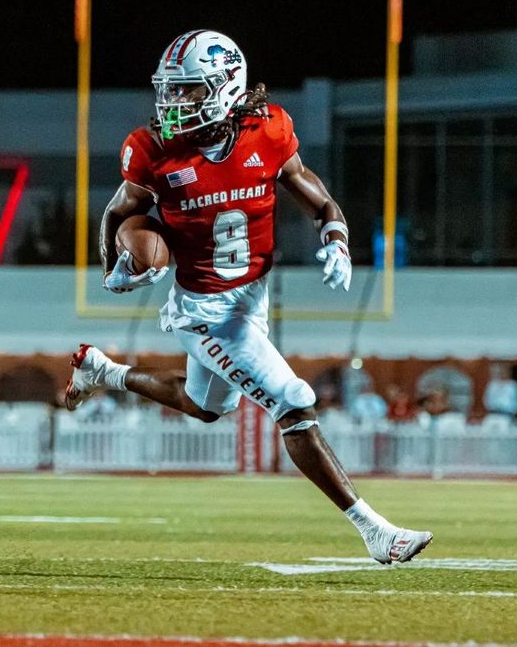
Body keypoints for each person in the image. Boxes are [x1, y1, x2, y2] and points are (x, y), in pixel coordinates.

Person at [63, 30, 431, 565]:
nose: (172, 103)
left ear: (224, 88)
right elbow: (119, 213)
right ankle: (375, 531)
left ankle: (103, 371)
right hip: (205, 313)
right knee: (295, 402)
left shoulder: (269, 131)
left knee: (205, 407)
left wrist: (337, 237)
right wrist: (114, 265)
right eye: (169, 91)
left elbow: (318, 197)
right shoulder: (153, 151)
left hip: (250, 302)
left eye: (187, 91)